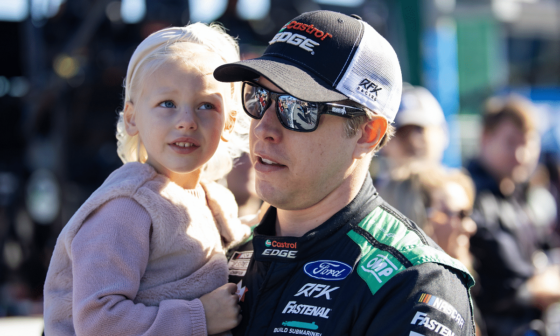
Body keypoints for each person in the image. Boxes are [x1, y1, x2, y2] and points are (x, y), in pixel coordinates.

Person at [214, 10, 475, 336]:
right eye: (258, 97)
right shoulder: (225, 257)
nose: (264, 128)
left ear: (367, 133)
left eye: (298, 108)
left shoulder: (415, 284)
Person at [43, 23, 251, 336]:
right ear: (132, 117)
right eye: (167, 103)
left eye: (206, 105)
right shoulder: (126, 207)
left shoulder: (215, 199)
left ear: (229, 121)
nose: (186, 122)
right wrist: (200, 317)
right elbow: (99, 322)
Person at [467, 96, 560, 336]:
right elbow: (510, 286)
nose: (521, 154)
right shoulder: (469, 197)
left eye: (528, 142)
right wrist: (536, 287)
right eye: (510, 142)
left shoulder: (520, 194)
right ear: (485, 138)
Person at [373, 84, 449, 228]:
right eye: (402, 132)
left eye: (420, 130)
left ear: (443, 134)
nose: (413, 140)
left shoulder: (462, 195)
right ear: (381, 142)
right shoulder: (367, 202)